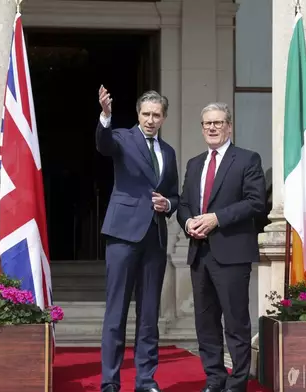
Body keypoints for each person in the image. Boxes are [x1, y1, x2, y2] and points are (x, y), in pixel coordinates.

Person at [176, 103, 266, 392]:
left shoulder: (247, 160)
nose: (212, 128)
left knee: (236, 323)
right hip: (199, 254)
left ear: (229, 126)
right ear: (202, 128)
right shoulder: (194, 164)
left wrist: (217, 218)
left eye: (218, 122)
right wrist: (188, 221)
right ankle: (214, 379)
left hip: (232, 254)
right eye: (207, 124)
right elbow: (184, 204)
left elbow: (256, 202)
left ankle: (237, 383)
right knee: (206, 324)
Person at [96, 86, 179, 392]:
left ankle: (146, 380)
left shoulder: (167, 152)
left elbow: (174, 194)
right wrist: (105, 116)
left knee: (149, 314)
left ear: (164, 117)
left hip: (154, 237)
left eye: (157, 115)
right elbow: (103, 145)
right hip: (123, 234)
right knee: (116, 311)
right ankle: (110, 381)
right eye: (146, 114)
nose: (150, 120)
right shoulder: (122, 137)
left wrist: (167, 205)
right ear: (137, 114)